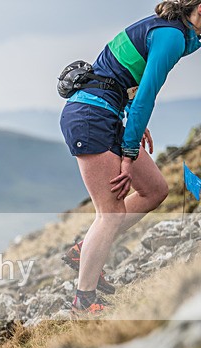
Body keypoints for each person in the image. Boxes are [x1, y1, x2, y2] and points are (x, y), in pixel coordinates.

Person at [59, 0, 201, 314]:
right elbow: (147, 93)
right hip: (89, 117)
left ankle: (85, 250)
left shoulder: (173, 32)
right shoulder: (172, 37)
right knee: (110, 213)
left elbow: (117, 73)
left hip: (104, 112)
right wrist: (128, 150)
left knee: (154, 190)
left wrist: (132, 121)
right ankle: (84, 301)